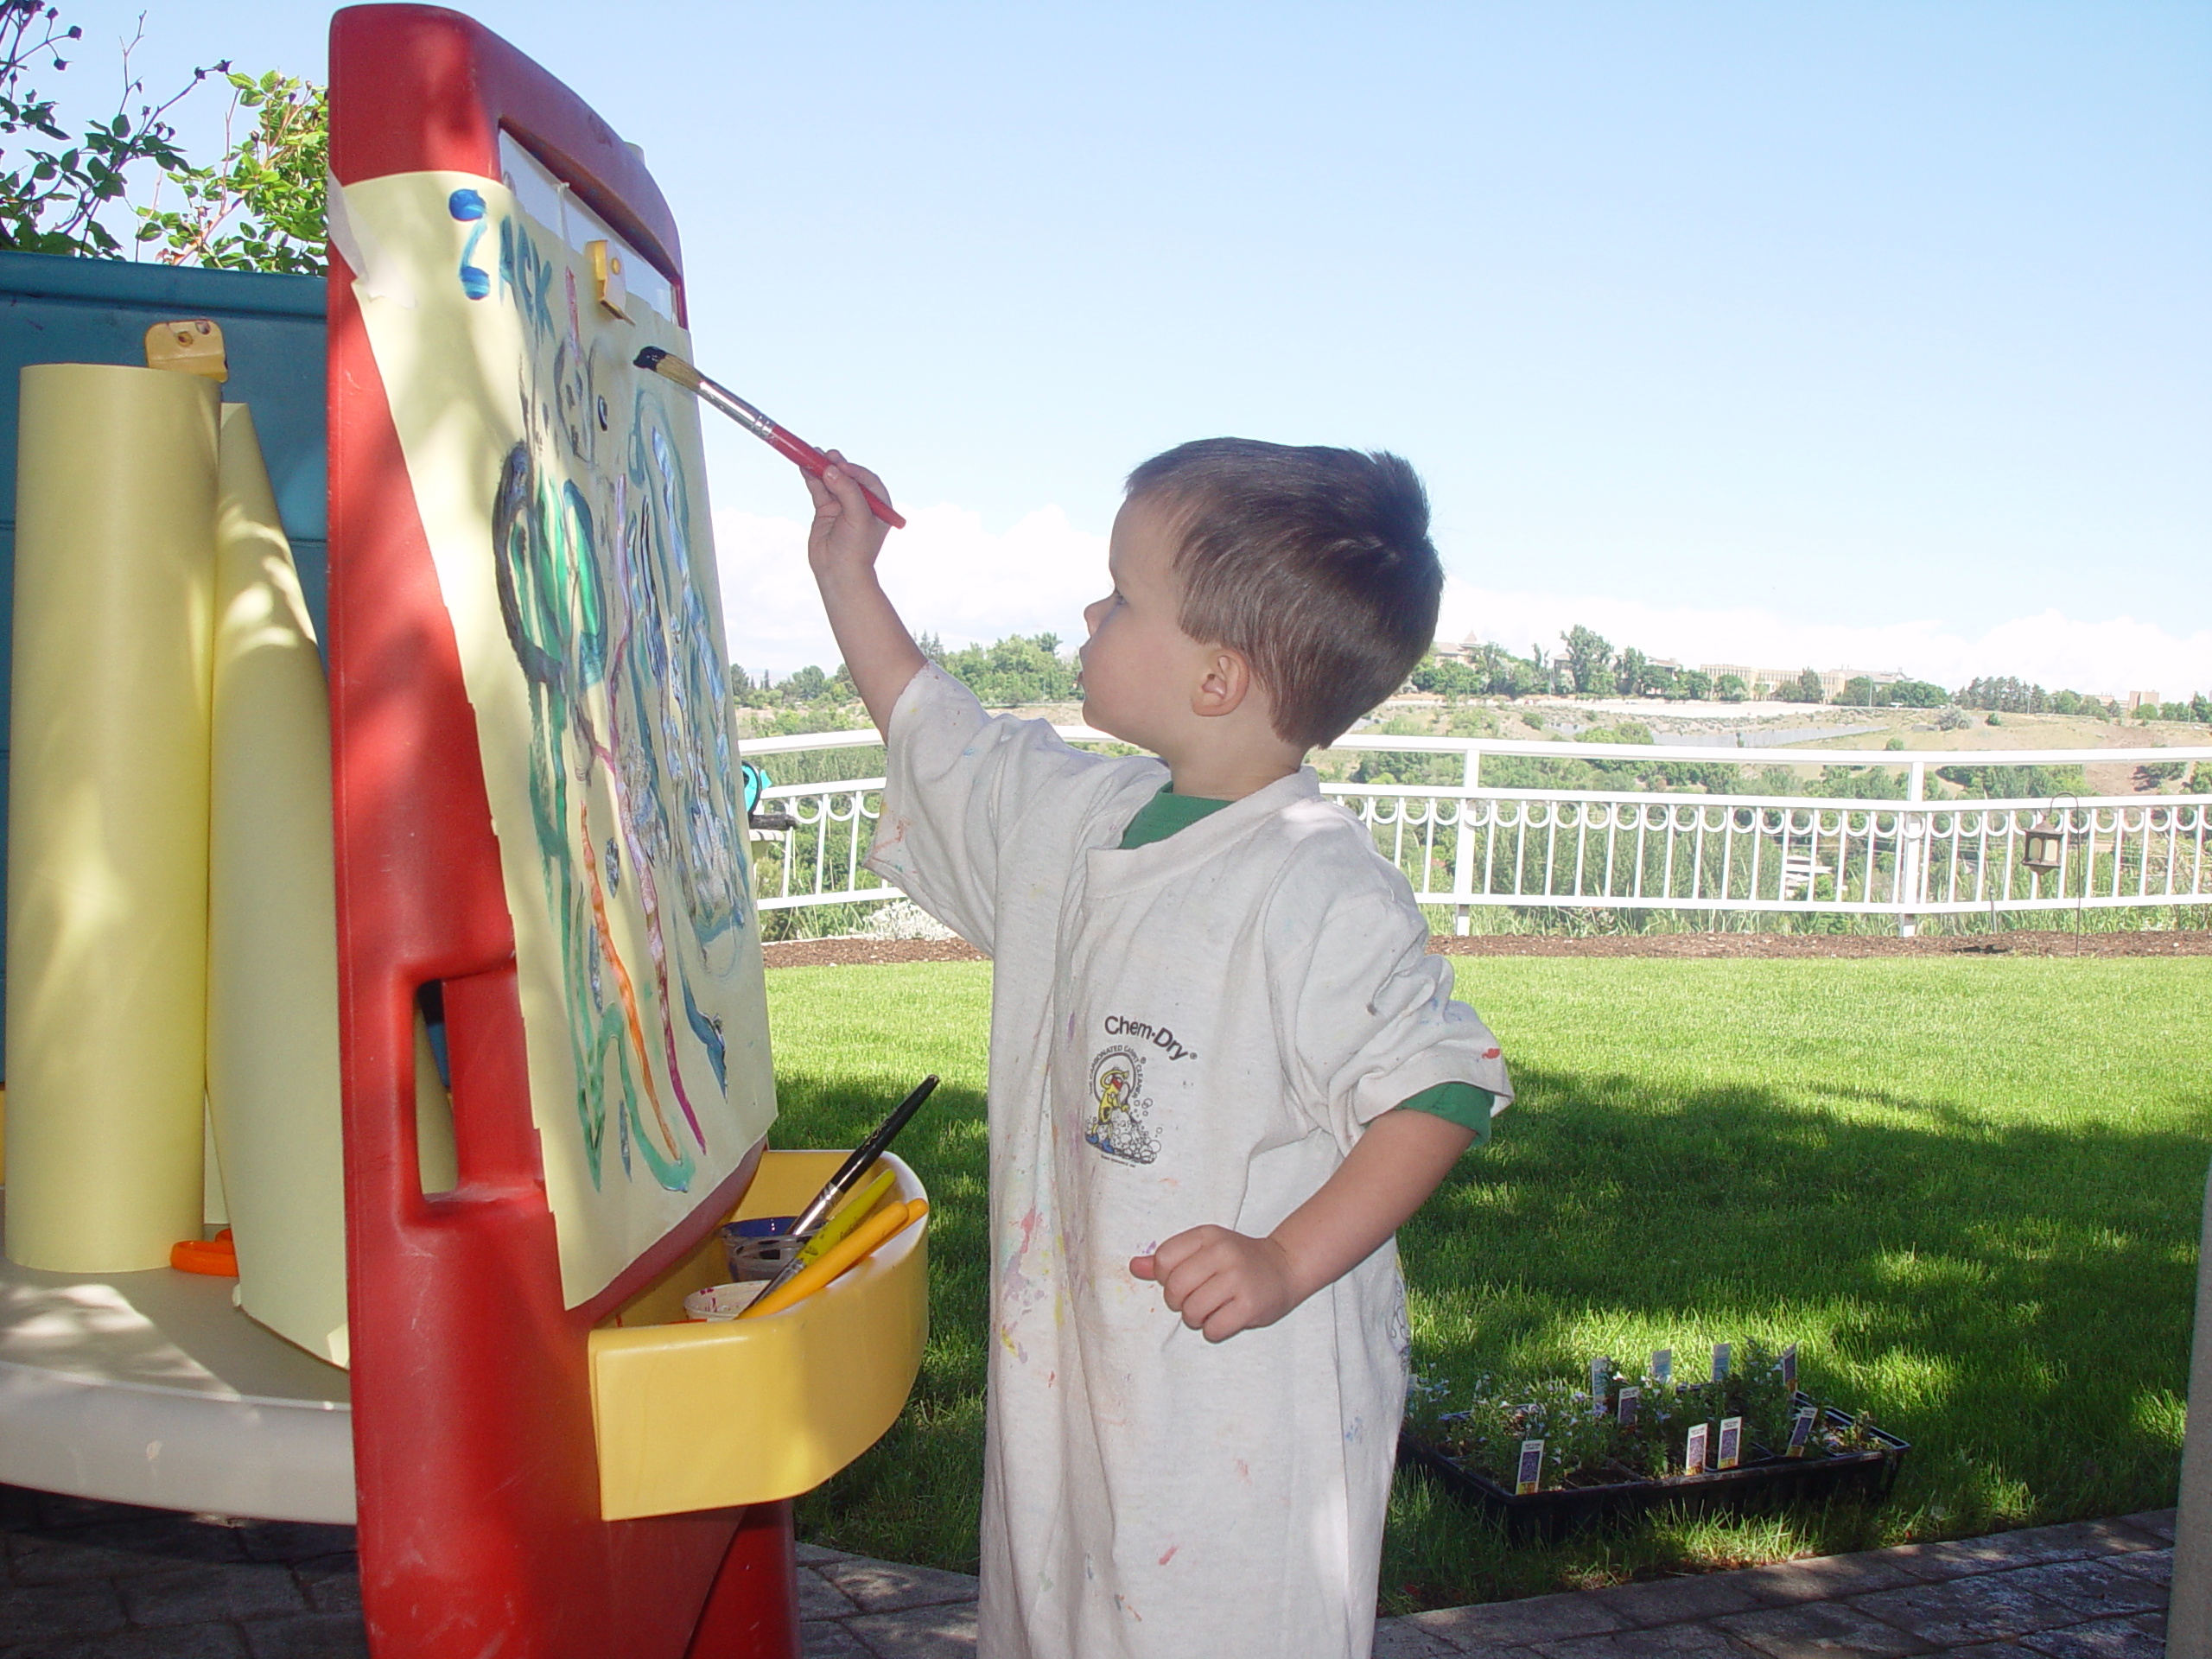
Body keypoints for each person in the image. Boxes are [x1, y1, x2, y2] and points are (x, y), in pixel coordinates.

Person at [802, 437, 1513, 1659]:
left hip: (1237, 1428)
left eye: (1123, 594)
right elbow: (944, 742)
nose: (1090, 609)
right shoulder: (1087, 822)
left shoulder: (1313, 886)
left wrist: (1286, 1260)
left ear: (1220, 678)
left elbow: (1435, 1089)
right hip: (1077, 1396)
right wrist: (847, 572)